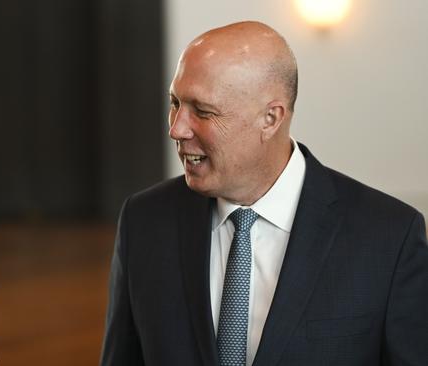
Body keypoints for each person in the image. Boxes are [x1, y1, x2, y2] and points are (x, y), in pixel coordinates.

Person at [100, 21, 428, 366]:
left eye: (202, 111)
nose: (176, 128)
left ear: (270, 119)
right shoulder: (143, 221)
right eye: (175, 102)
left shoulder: (390, 237)